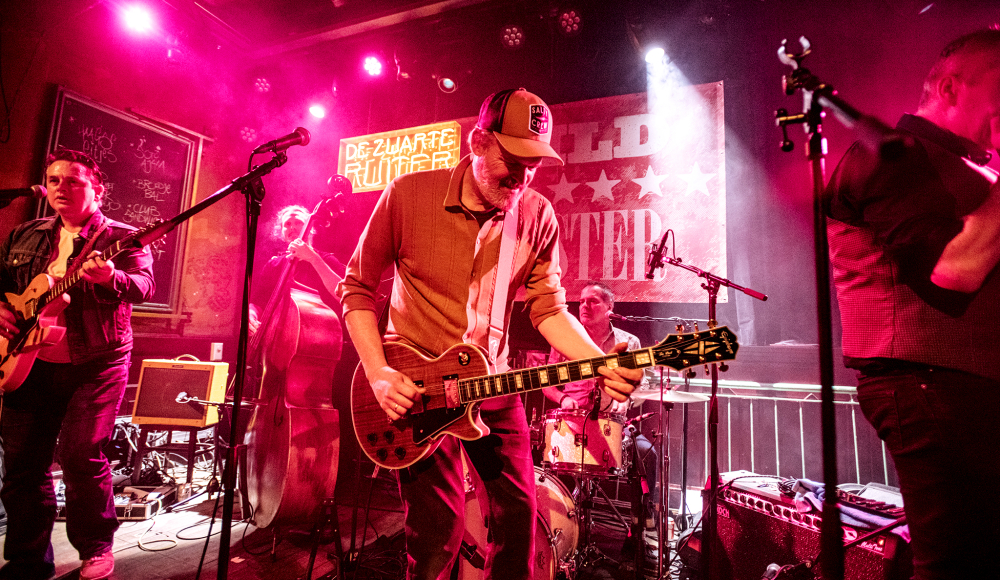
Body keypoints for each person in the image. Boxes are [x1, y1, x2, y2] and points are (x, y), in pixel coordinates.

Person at [338, 88, 643, 580]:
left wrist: (600, 360)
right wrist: (377, 372)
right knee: (439, 533)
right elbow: (355, 288)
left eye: (534, 164)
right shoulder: (408, 194)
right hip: (417, 390)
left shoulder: (537, 215)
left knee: (521, 522)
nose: (523, 176)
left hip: (493, 386)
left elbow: (548, 309)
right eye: (513, 159)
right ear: (479, 141)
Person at [825, 29, 1000, 580]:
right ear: (951, 86)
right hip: (926, 384)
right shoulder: (893, 158)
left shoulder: (975, 168)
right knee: (956, 561)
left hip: (963, 384)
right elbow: (950, 270)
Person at [0, 149, 155, 580]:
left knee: (80, 453)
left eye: (73, 181)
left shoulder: (122, 237)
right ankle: (27, 560)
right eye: (53, 181)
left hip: (97, 362)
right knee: (22, 464)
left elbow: (143, 285)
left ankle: (95, 549)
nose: (60, 188)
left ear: (98, 190)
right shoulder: (25, 234)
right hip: (29, 361)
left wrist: (111, 278)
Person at [543, 282, 658, 549]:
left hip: (613, 425)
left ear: (609, 308)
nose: (584, 306)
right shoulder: (564, 339)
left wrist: (627, 400)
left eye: (592, 301)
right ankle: (551, 532)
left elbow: (646, 385)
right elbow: (547, 384)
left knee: (646, 454)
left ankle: (638, 531)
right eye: (581, 301)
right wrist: (563, 397)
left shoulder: (628, 343)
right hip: (572, 424)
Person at [248, 203, 345, 336]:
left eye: (298, 223)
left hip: (320, 338)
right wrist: (251, 314)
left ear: (310, 228)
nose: (292, 228)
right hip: (277, 339)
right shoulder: (273, 265)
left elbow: (345, 296)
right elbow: (258, 302)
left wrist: (313, 258)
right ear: (282, 233)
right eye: (287, 224)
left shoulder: (326, 260)